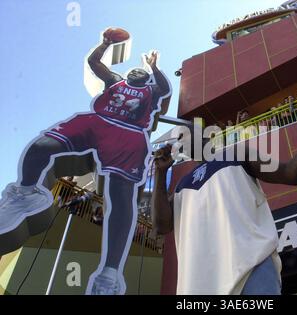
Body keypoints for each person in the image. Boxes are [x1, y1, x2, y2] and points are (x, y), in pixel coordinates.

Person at [0, 30, 171, 295]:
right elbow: (94, 64)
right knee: (40, 147)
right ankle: (24, 194)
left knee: (122, 197)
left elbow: (165, 88)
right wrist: (104, 44)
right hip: (97, 123)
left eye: (142, 72)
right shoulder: (114, 81)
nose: (137, 72)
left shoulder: (152, 91)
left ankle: (110, 272)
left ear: (146, 78)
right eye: (134, 70)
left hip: (127, 134)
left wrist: (154, 66)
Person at [151, 89, 297, 295]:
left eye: (191, 131)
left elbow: (291, 173)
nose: (186, 136)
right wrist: (161, 174)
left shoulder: (238, 153)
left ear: (208, 136)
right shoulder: (182, 186)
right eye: (182, 137)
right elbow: (161, 225)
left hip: (251, 267)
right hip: (201, 285)